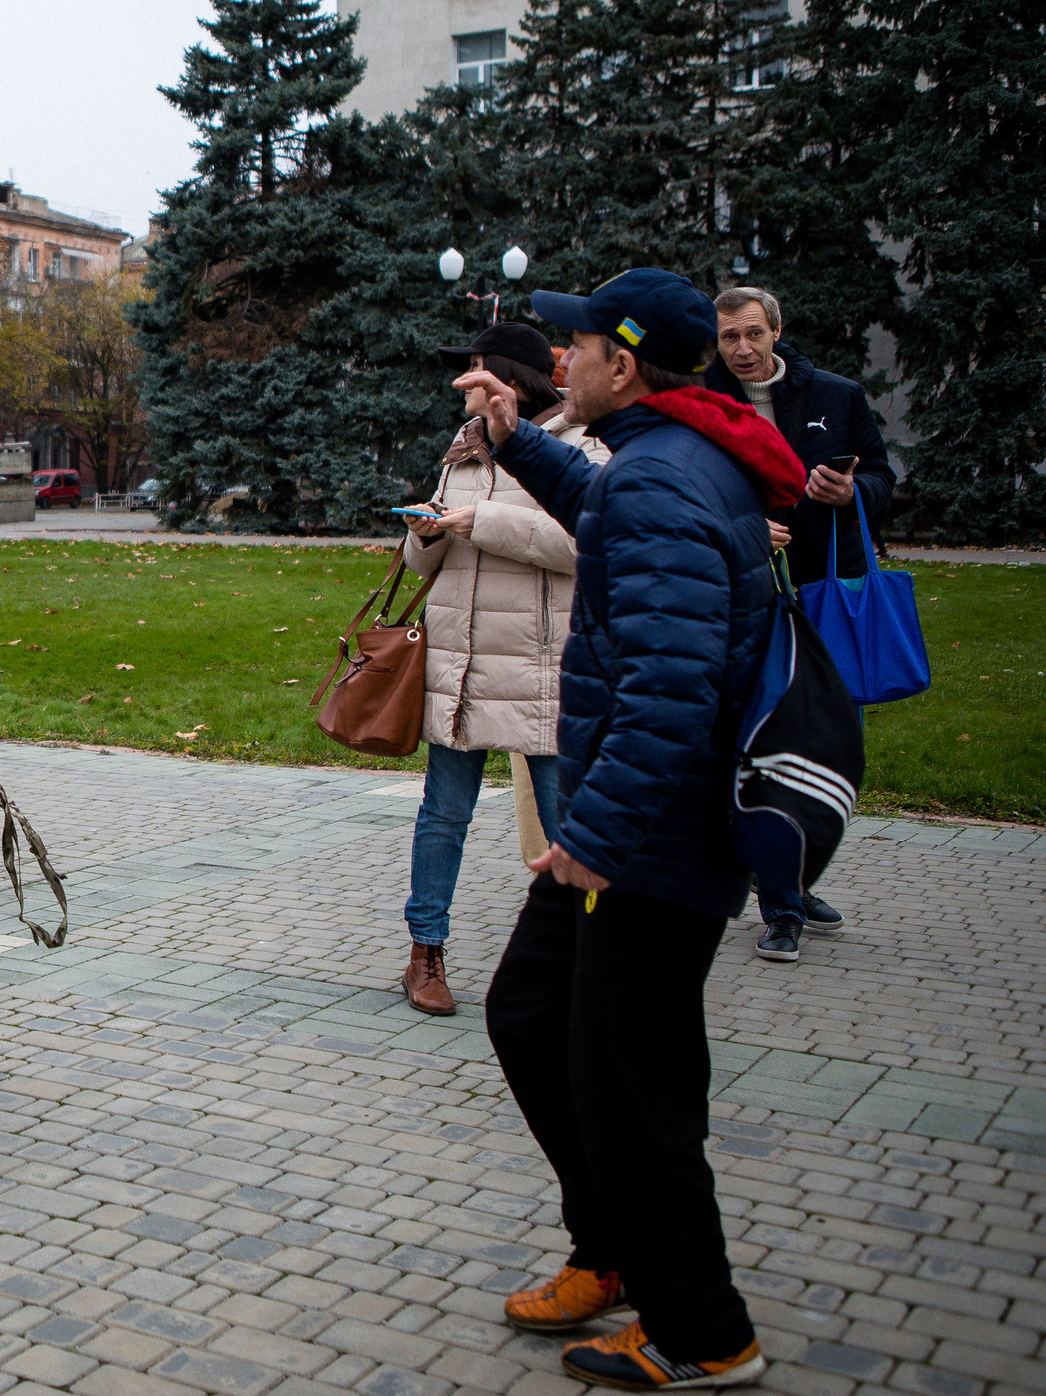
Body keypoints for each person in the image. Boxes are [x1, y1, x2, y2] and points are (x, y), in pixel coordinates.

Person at [471, 268, 804, 1392]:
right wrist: (517, 439)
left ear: (625, 361)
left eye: (576, 347)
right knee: (529, 1012)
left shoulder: (663, 477)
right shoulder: (662, 457)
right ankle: (611, 1248)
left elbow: (671, 686)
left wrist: (597, 837)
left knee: (633, 1084)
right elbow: (605, 511)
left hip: (651, 838)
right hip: (636, 827)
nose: (561, 359)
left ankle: (705, 1333)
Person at [397, 322, 608, 1016]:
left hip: (540, 666)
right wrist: (424, 531)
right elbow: (423, 562)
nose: (463, 385)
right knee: (443, 815)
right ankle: (424, 952)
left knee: (563, 820)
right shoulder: (461, 451)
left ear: (511, 382)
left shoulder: (578, 447)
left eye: (477, 372)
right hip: (460, 664)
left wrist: (476, 520)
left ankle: (588, 958)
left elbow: (583, 545)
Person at [706, 285, 889, 962]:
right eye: (730, 338)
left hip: (826, 592)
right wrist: (747, 528)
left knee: (829, 748)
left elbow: (884, 477)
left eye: (753, 333)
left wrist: (853, 491)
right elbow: (691, 494)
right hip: (750, 598)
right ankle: (780, 904)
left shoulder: (834, 396)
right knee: (770, 744)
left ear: (777, 330)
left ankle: (794, 878)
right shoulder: (707, 404)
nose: (743, 349)